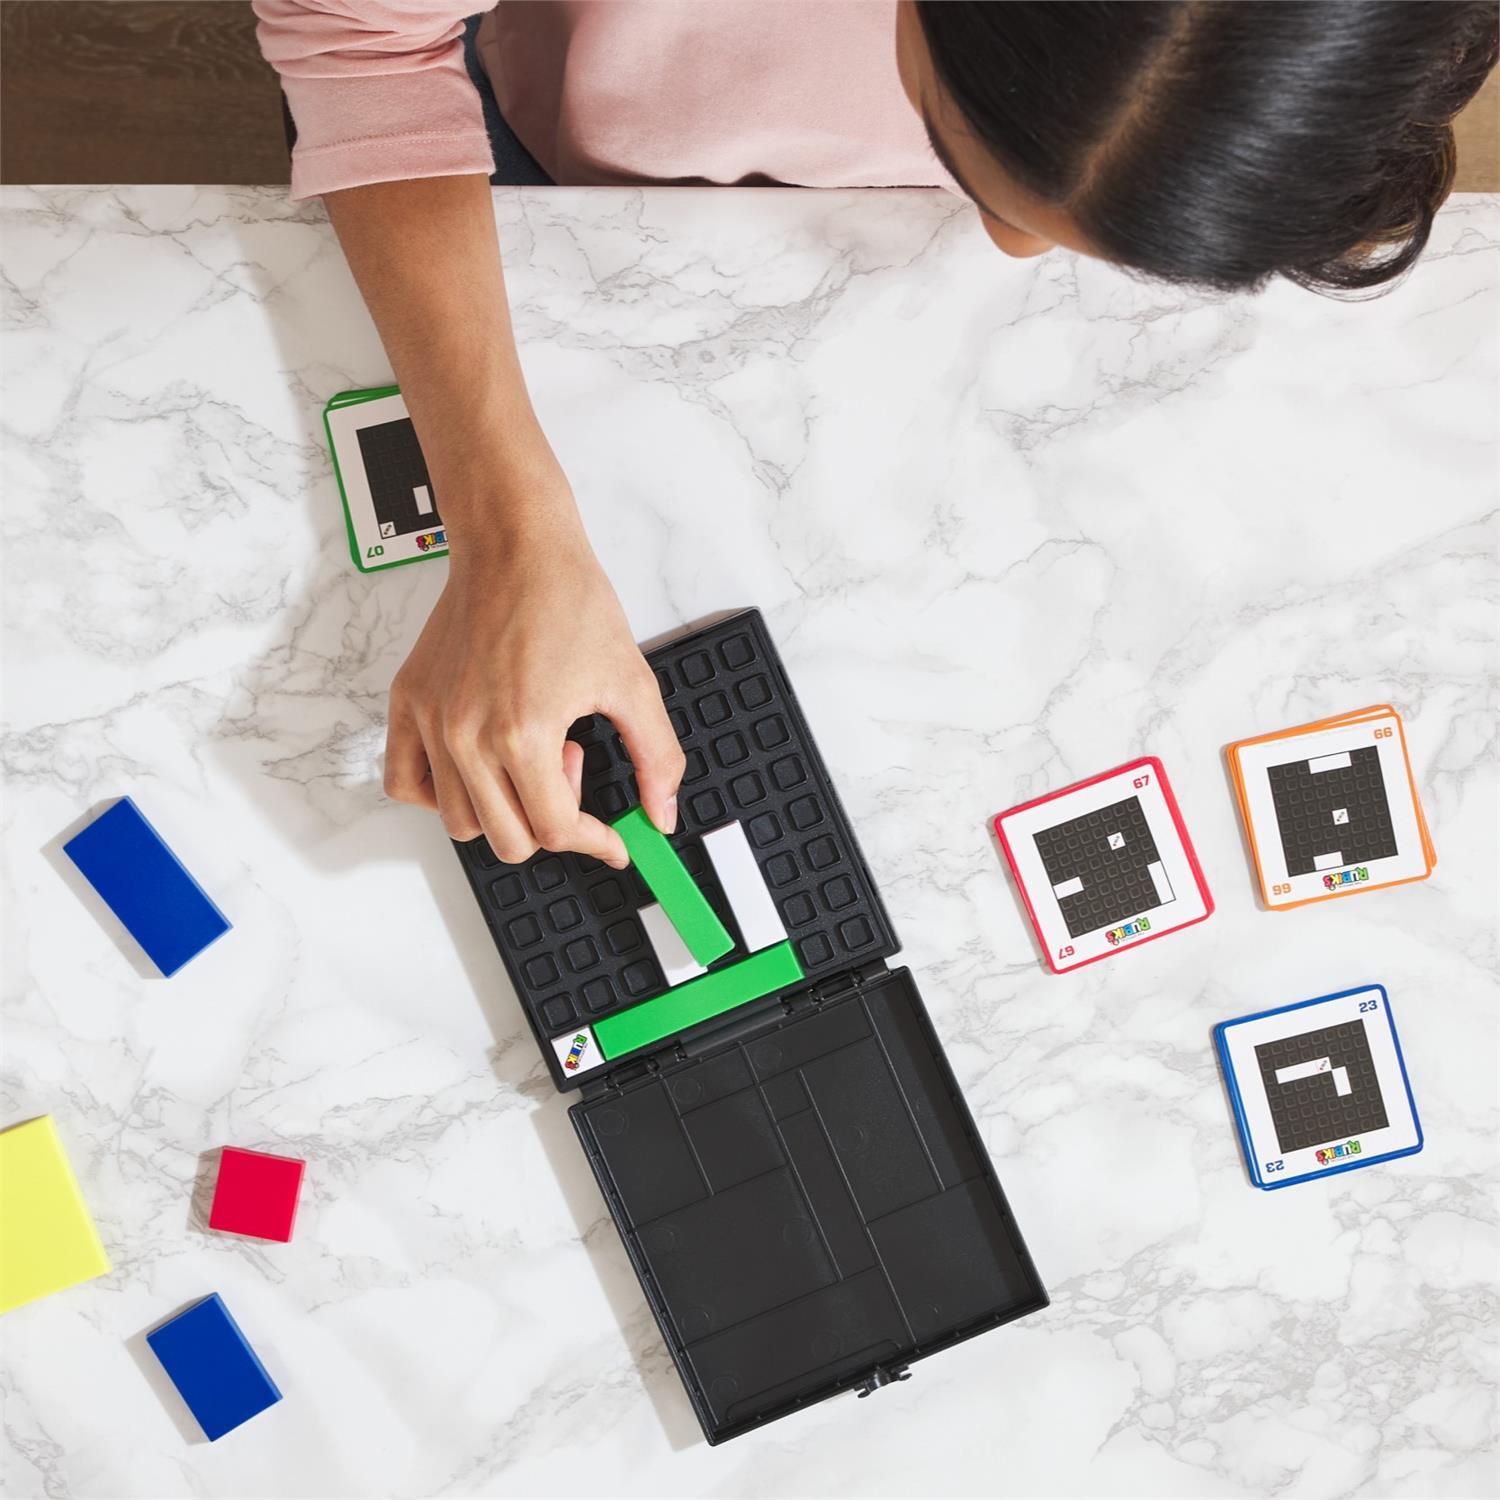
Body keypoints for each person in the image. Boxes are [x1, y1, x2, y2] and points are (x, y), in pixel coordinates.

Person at [254, 0, 1497, 871]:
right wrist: (510, 527)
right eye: (975, 154)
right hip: (551, 164)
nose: (1009, 248)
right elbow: (360, 36)